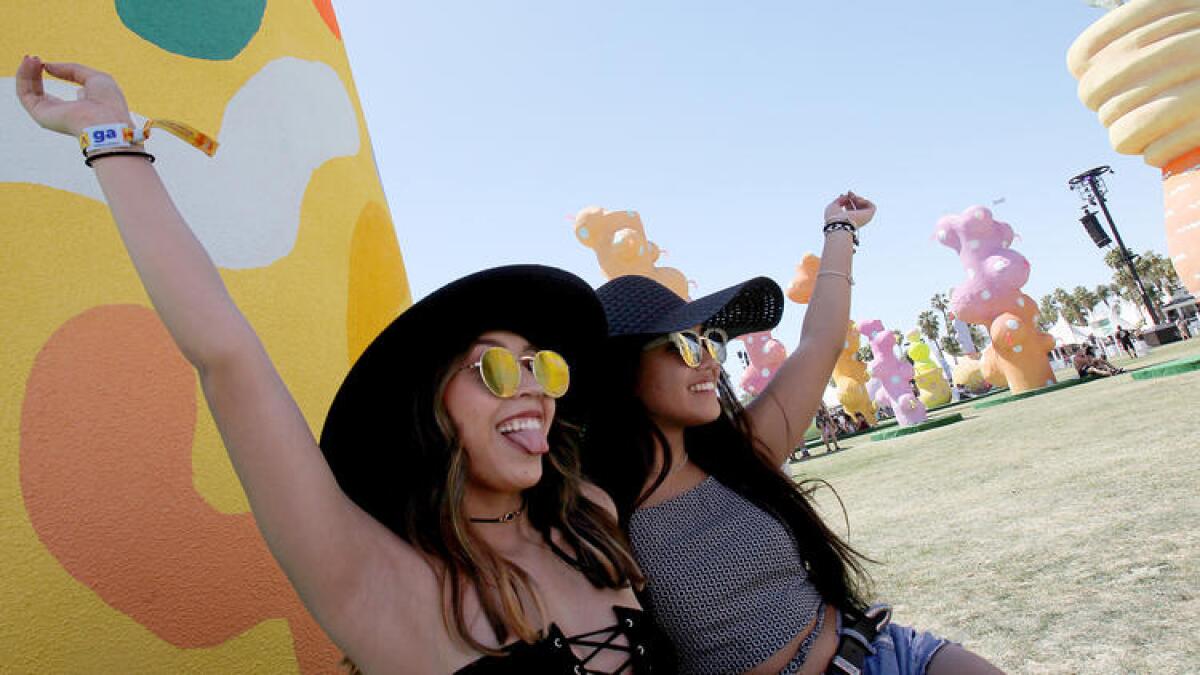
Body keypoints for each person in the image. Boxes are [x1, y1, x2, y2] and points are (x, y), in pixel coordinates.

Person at [16, 56, 673, 674]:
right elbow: (229, 359)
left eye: (541, 368)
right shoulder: (380, 582)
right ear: (431, 405)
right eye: (495, 370)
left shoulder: (591, 523)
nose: (531, 388)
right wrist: (107, 134)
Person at [581, 193, 1004, 675]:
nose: (707, 359)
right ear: (622, 371)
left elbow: (820, 341)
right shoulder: (595, 508)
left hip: (879, 657)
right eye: (681, 344)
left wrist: (839, 228)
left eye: (708, 340)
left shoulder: (740, 455)